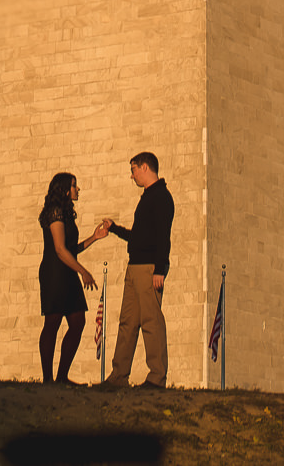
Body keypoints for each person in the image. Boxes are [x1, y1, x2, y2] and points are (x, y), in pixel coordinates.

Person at [95, 151, 174, 389]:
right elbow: (139, 237)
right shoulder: (148, 197)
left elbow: (163, 237)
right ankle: (118, 376)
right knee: (128, 321)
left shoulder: (161, 197)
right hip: (135, 266)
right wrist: (115, 229)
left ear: (145, 168)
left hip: (149, 268)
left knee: (151, 322)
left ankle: (156, 377)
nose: (132, 176)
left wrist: (159, 269)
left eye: (133, 170)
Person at [36, 171, 103, 384]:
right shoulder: (54, 211)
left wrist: (94, 238)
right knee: (53, 321)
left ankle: (62, 376)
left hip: (68, 270)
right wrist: (83, 271)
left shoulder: (65, 213)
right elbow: (59, 249)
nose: (77, 189)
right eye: (74, 185)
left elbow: (71, 249)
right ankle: (48, 378)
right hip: (55, 272)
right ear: (64, 189)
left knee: (77, 321)